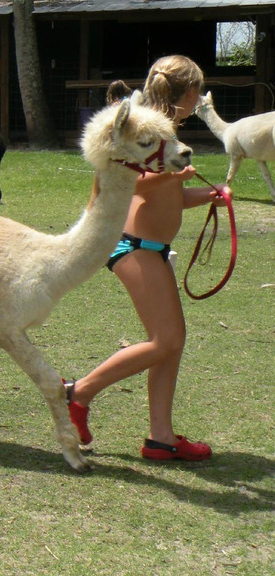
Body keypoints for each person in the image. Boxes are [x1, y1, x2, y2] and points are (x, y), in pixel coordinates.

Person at [64, 55, 229, 461]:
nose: (198, 100)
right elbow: (129, 185)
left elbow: (169, 197)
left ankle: (161, 437)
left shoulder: (164, 133)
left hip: (153, 248)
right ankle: (77, 393)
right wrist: (173, 175)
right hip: (134, 246)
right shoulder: (143, 132)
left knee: (172, 343)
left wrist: (209, 195)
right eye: (197, 91)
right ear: (187, 93)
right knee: (165, 340)